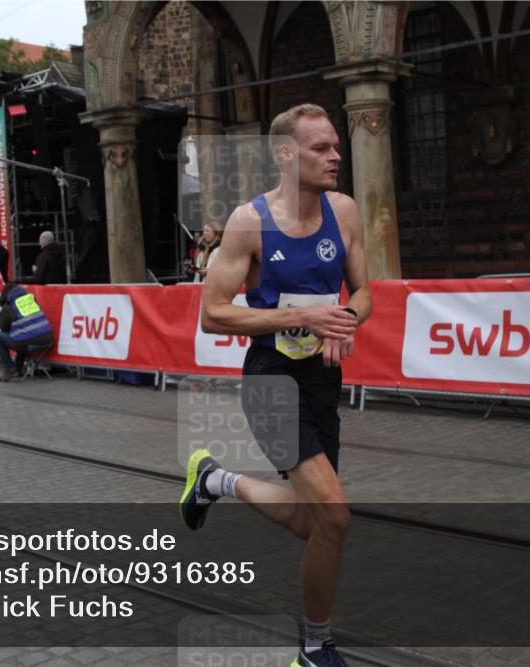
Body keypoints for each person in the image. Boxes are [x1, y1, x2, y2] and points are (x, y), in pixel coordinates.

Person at [186, 103, 371, 667]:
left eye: (335, 145)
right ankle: (315, 650)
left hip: (321, 380)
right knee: (335, 517)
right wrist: (301, 318)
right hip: (270, 379)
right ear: (287, 155)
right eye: (321, 147)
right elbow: (212, 314)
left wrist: (345, 320)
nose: (335, 156)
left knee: (310, 521)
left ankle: (214, 480)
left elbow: (365, 293)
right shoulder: (250, 221)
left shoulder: (345, 211)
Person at [0, 283, 54, 382]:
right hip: (48, 339)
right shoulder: (31, 299)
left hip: (28, 342)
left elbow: (4, 328)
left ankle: (9, 368)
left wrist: (1, 316)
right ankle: (18, 368)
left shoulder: (8, 306)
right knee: (21, 335)